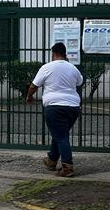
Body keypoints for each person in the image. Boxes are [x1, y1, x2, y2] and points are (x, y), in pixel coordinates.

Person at [27, 42, 83, 177]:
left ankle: (67, 167)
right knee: (60, 134)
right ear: (65, 54)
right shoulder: (73, 68)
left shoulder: (47, 67)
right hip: (73, 107)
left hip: (54, 106)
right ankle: (51, 160)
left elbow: (34, 85)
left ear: (54, 53)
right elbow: (79, 82)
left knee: (61, 136)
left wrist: (29, 96)